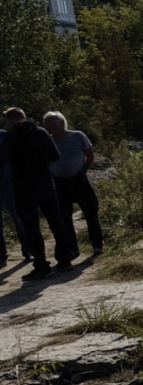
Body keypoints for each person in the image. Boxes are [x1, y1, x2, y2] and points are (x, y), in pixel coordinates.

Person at [0, 108, 73, 279]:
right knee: (56, 223)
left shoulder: (12, 135)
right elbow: (55, 155)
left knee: (32, 227)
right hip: (46, 184)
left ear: (10, 120)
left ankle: (42, 266)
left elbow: (2, 160)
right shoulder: (41, 131)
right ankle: (64, 261)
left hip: (24, 188)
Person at [44, 111, 103, 260]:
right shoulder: (47, 141)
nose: (50, 125)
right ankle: (73, 249)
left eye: (53, 122)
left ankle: (97, 245)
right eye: (47, 123)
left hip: (79, 181)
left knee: (91, 213)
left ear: (62, 123)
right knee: (64, 218)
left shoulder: (77, 136)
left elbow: (90, 155)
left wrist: (83, 170)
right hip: (59, 183)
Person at [0, 129, 33, 265]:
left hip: (10, 183)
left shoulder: (4, 135)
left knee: (19, 219)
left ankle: (28, 250)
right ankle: (2, 256)